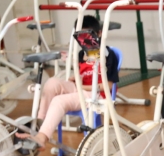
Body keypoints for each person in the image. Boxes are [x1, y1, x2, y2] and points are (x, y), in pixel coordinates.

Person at [16, 15, 118, 148]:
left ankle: (42, 137)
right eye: (81, 37)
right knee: (52, 83)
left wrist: (82, 86)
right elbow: (84, 75)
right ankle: (39, 125)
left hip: (97, 95)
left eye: (89, 36)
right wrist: (76, 80)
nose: (85, 41)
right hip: (82, 89)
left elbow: (108, 85)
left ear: (99, 33)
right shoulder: (82, 54)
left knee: (59, 101)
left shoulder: (108, 55)